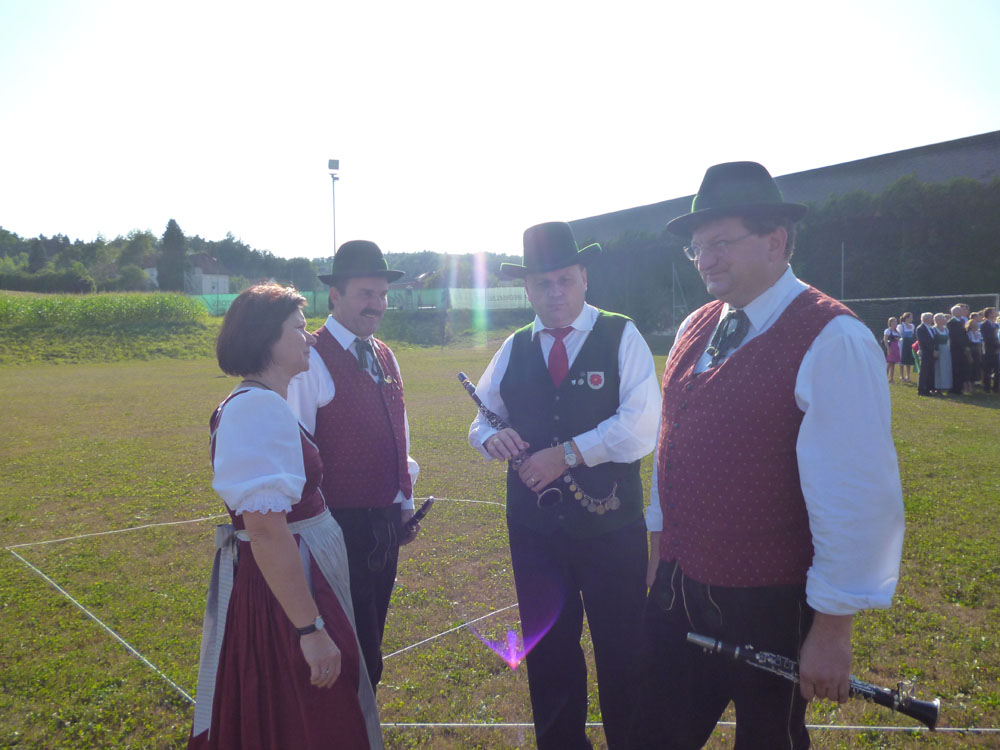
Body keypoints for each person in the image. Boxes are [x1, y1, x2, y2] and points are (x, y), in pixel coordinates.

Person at [631, 162, 905, 749]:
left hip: (771, 602)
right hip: (679, 586)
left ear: (775, 240)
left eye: (720, 243)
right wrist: (660, 553)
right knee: (649, 733)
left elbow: (856, 496)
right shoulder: (696, 325)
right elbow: (670, 448)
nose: (704, 260)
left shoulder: (833, 338)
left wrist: (832, 628)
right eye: (696, 247)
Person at [468, 221, 660, 750]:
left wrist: (568, 454)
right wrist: (491, 437)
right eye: (542, 283)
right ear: (527, 289)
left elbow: (642, 426)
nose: (555, 293)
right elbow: (481, 418)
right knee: (549, 658)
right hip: (534, 533)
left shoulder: (621, 334)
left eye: (564, 280)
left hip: (611, 528)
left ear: (583, 278)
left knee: (624, 650)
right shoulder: (514, 346)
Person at [189, 283, 382, 750]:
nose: (310, 337)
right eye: (298, 328)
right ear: (266, 339)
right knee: (309, 710)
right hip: (288, 588)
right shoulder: (256, 409)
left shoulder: (265, 403)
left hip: (300, 572)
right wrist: (310, 630)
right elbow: (265, 530)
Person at [287, 241, 420, 693]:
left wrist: (404, 502)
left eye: (382, 295)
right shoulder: (310, 358)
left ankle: (363, 718)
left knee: (371, 637)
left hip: (383, 520)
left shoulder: (385, 354)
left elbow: (399, 431)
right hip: (335, 525)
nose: (377, 304)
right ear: (335, 296)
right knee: (347, 643)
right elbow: (297, 451)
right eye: (366, 293)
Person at [946, 303, 972, 394]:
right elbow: (956, 337)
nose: (962, 312)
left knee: (962, 368)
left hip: (962, 349)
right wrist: (964, 346)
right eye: (960, 310)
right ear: (955, 312)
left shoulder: (961, 321)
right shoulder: (952, 322)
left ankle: (960, 387)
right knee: (956, 368)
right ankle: (955, 388)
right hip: (956, 349)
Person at [916, 311, 938, 396]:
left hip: (932, 353)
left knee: (930, 371)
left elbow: (934, 340)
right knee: (924, 371)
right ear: (926, 319)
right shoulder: (920, 328)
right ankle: (922, 389)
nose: (932, 320)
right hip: (926, 352)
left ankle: (929, 388)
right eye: (931, 318)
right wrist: (932, 350)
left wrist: (935, 349)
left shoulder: (931, 328)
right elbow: (924, 342)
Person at [980, 307, 1000, 393]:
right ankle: (986, 388)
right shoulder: (984, 325)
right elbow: (987, 338)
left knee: (997, 370)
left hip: (997, 351)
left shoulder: (996, 325)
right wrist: (997, 346)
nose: (996, 313)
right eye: (994, 312)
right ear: (989, 314)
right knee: (987, 370)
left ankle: (996, 387)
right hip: (988, 350)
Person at [934, 313, 954, 393]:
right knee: (938, 368)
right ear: (938, 320)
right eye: (943, 318)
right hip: (939, 350)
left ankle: (946, 385)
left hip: (946, 349)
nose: (945, 320)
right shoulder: (934, 329)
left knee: (946, 367)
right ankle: (938, 386)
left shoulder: (946, 329)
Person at [897, 312, 916, 382]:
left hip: (909, 343)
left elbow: (912, 334)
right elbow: (899, 335)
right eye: (911, 317)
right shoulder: (900, 326)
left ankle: (908, 376)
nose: (912, 319)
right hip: (902, 343)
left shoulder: (912, 326)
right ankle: (901, 376)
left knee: (908, 359)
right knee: (902, 359)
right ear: (907, 318)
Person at [883, 316, 901, 383]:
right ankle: (885, 377)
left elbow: (898, 339)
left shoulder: (896, 331)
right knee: (889, 363)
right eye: (894, 321)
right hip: (890, 347)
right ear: (891, 322)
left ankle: (891, 378)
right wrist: (888, 349)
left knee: (893, 363)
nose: (896, 323)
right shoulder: (888, 331)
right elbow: (885, 340)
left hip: (896, 347)